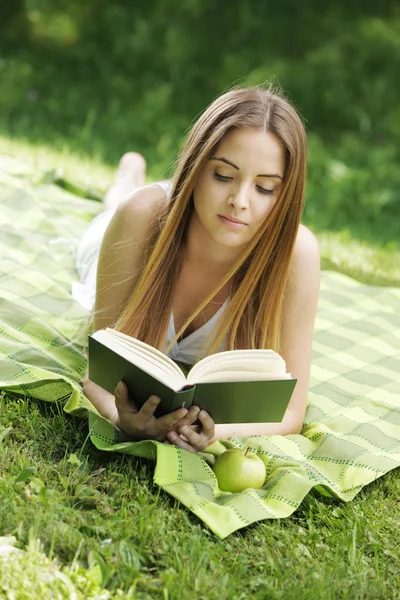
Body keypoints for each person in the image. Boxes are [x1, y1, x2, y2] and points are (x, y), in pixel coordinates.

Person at [78, 85, 320, 454]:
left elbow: (291, 411)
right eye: (223, 176)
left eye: (265, 188)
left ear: (285, 195)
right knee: (110, 211)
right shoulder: (141, 217)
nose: (239, 202)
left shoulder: (296, 255)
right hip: (117, 243)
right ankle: (127, 177)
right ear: (195, 167)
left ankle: (129, 176)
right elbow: (98, 373)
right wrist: (120, 418)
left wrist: (215, 433)